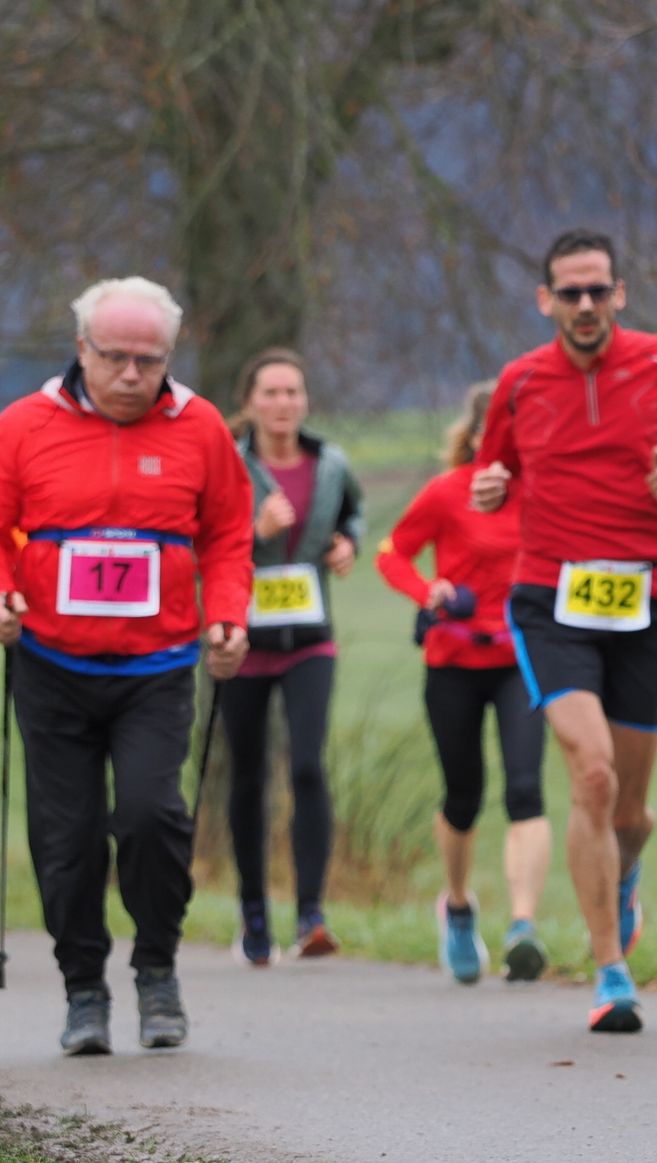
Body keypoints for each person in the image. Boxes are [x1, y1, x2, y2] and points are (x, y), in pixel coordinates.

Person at [0, 277, 254, 1058]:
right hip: (52, 664)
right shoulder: (23, 426)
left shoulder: (201, 428)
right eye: (114, 356)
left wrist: (229, 614)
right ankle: (83, 986)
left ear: (170, 356)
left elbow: (228, 535)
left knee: (151, 816)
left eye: (148, 360)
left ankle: (157, 968)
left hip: (156, 666)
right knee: (68, 838)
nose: (130, 374)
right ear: (82, 348)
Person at [472, 228, 657, 1034]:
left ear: (618, 293)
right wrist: (489, 488)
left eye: (597, 290)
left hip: (649, 603)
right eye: (569, 292)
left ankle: (624, 869)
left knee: (628, 811)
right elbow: (492, 469)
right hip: (552, 601)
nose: (584, 305)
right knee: (591, 777)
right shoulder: (520, 381)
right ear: (545, 300)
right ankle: (610, 971)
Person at [375, 381, 551, 985]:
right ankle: (456, 908)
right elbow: (392, 553)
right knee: (464, 796)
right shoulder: (447, 492)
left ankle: (523, 927)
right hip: (453, 661)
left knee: (526, 791)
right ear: (477, 437)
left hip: (520, 661)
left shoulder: (542, 494)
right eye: (501, 431)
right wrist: (429, 591)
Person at [226, 349, 364, 966]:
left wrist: (347, 543)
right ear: (250, 402)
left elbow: (353, 513)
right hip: (242, 641)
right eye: (271, 393)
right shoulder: (229, 465)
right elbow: (201, 536)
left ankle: (311, 914)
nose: (283, 404)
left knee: (307, 766)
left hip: (310, 637)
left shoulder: (330, 463)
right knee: (248, 775)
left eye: (293, 392)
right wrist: (252, 533)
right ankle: (253, 911)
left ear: (305, 401)